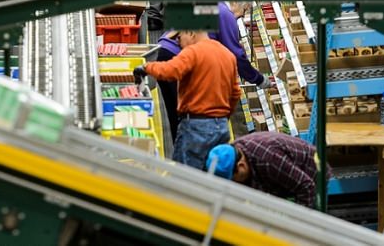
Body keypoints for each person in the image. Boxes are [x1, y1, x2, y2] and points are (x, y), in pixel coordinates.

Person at [134, 29, 239, 169]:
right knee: (213, 175)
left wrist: (146, 67)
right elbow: (235, 93)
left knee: (186, 177)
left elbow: (171, 70)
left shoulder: (193, 52)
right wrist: (223, 117)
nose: (178, 43)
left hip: (196, 127)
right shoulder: (227, 54)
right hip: (221, 127)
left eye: (179, 37)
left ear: (191, 32)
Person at [207, 133, 319, 208]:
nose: (235, 184)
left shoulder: (269, 159)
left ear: (241, 166)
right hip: (286, 182)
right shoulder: (238, 150)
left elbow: (307, 186)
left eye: (233, 180)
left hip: (315, 177)